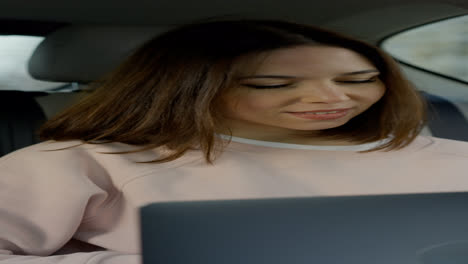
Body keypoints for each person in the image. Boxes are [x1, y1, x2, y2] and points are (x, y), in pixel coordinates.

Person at [1, 17, 467, 264]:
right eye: (273, 84)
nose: (333, 98)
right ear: (188, 89)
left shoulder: (451, 154)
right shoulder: (81, 161)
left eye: (360, 78)